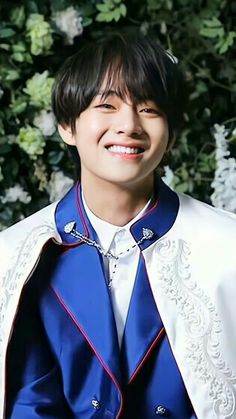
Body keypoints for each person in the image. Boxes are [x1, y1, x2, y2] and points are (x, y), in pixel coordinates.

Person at [0, 32, 236, 419]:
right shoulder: (16, 255)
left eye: (148, 109)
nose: (128, 125)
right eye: (106, 105)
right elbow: (28, 401)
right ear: (67, 126)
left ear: (171, 133)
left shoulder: (228, 247)